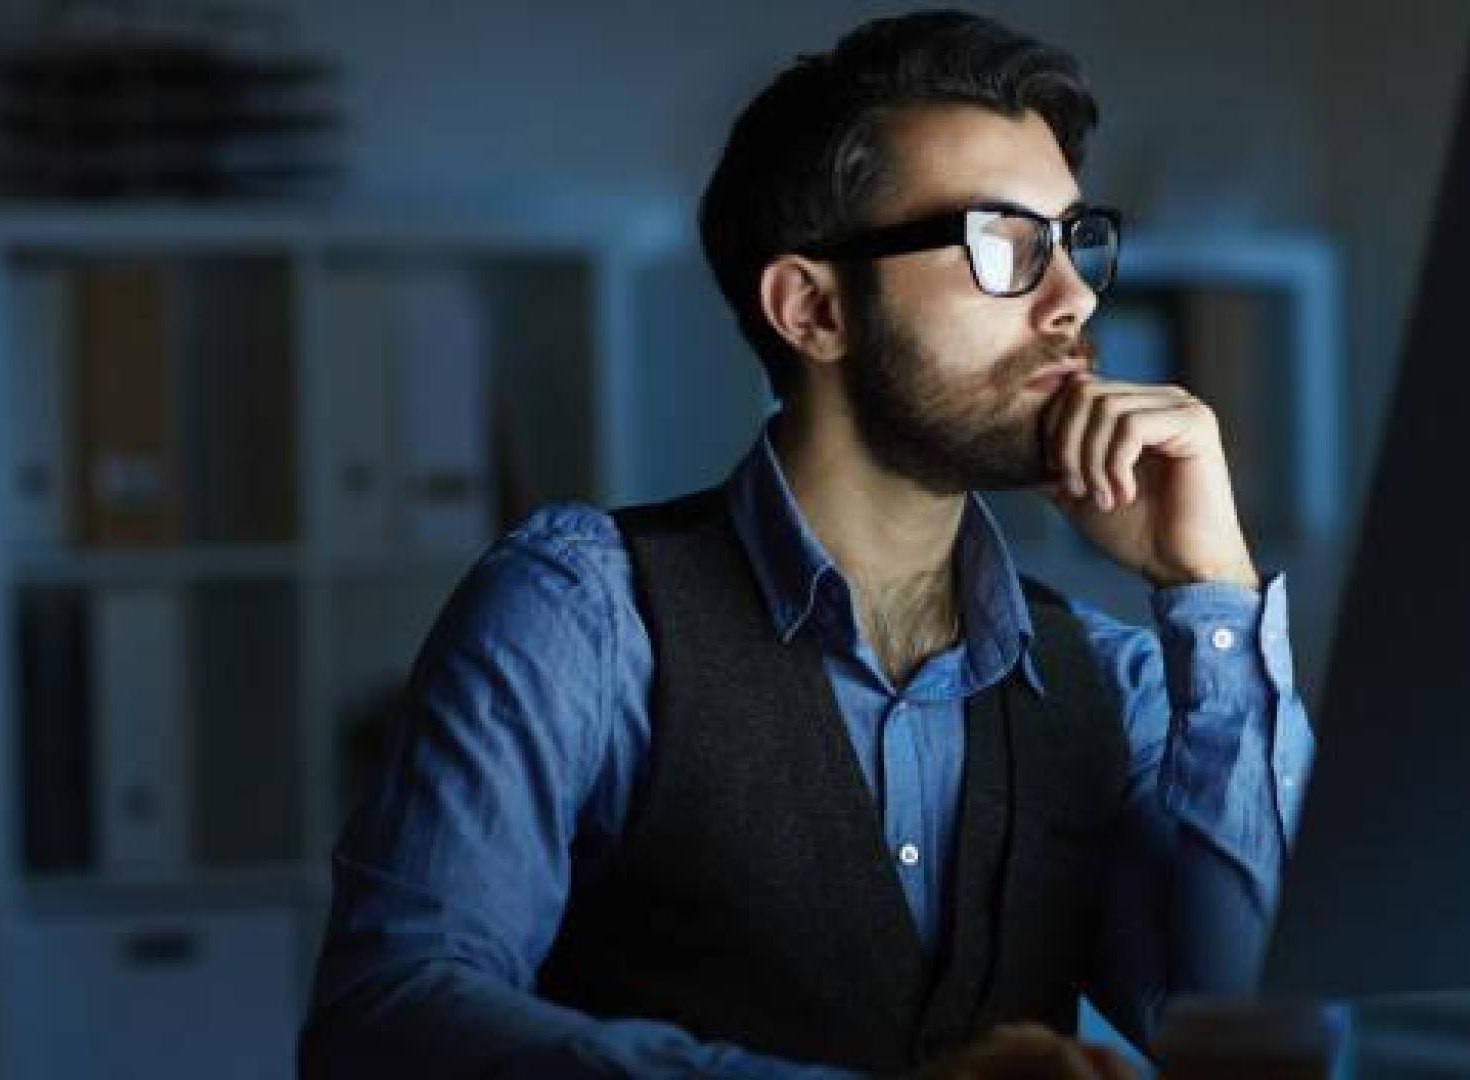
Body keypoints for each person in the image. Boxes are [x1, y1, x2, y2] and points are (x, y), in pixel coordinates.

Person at [299, 10, 1313, 1078]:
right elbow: (386, 1018)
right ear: (812, 308)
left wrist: (1212, 590)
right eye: (1005, 246)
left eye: (1075, 242)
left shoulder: (1118, 679)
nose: (1072, 300)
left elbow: (1260, 1036)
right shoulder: (581, 614)